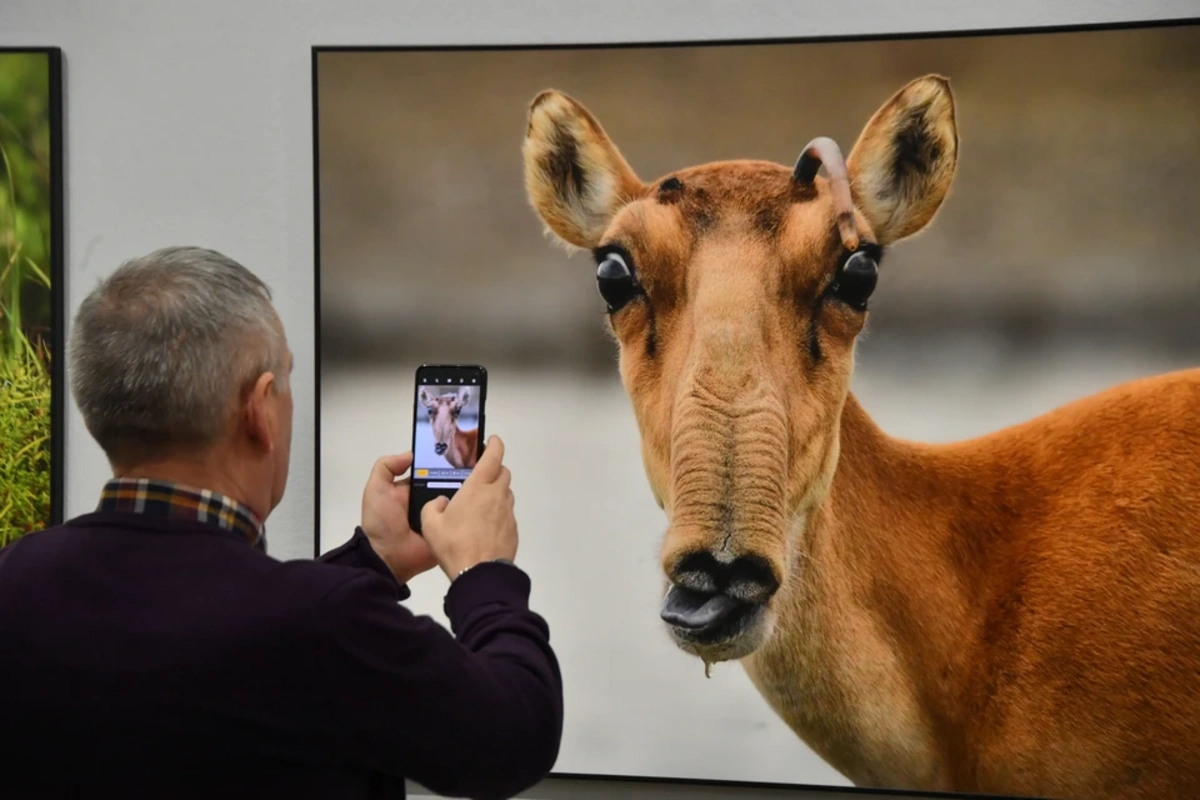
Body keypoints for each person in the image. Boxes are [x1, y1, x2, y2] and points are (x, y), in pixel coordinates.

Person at [0, 246, 563, 799]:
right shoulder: (322, 625)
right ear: (260, 410)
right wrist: (483, 571)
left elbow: (230, 626)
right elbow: (514, 735)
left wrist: (372, 561)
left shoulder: (16, 578)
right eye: (286, 380)